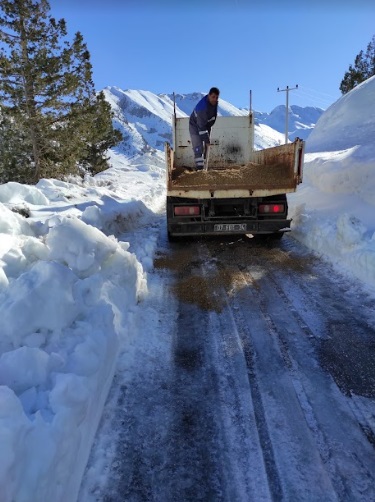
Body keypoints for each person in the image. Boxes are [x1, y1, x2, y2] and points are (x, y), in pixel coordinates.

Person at [189, 87, 220, 170]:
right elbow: (201, 127)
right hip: (195, 125)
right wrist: (206, 140)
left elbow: (212, 118)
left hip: (206, 124)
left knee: (207, 147)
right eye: (213, 97)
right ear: (209, 95)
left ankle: (205, 168)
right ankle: (199, 170)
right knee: (198, 146)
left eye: (217, 97)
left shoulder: (214, 103)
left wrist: (208, 134)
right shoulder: (202, 108)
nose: (215, 99)